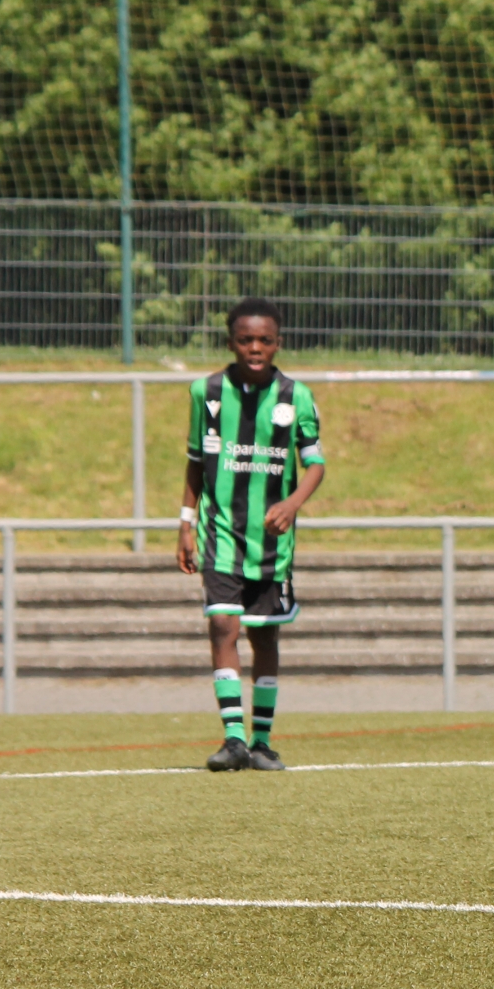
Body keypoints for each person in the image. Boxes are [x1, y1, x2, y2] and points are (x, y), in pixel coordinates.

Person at [177, 297, 326, 772]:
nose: (255, 348)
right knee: (223, 625)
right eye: (245, 340)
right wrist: (185, 522)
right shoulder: (206, 392)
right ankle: (234, 739)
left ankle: (262, 742)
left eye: (264, 340)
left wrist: (292, 503)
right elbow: (196, 462)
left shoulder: (296, 396)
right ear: (231, 343)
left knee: (264, 637)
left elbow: (316, 464)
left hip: (271, 544)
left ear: (278, 343)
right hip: (220, 533)